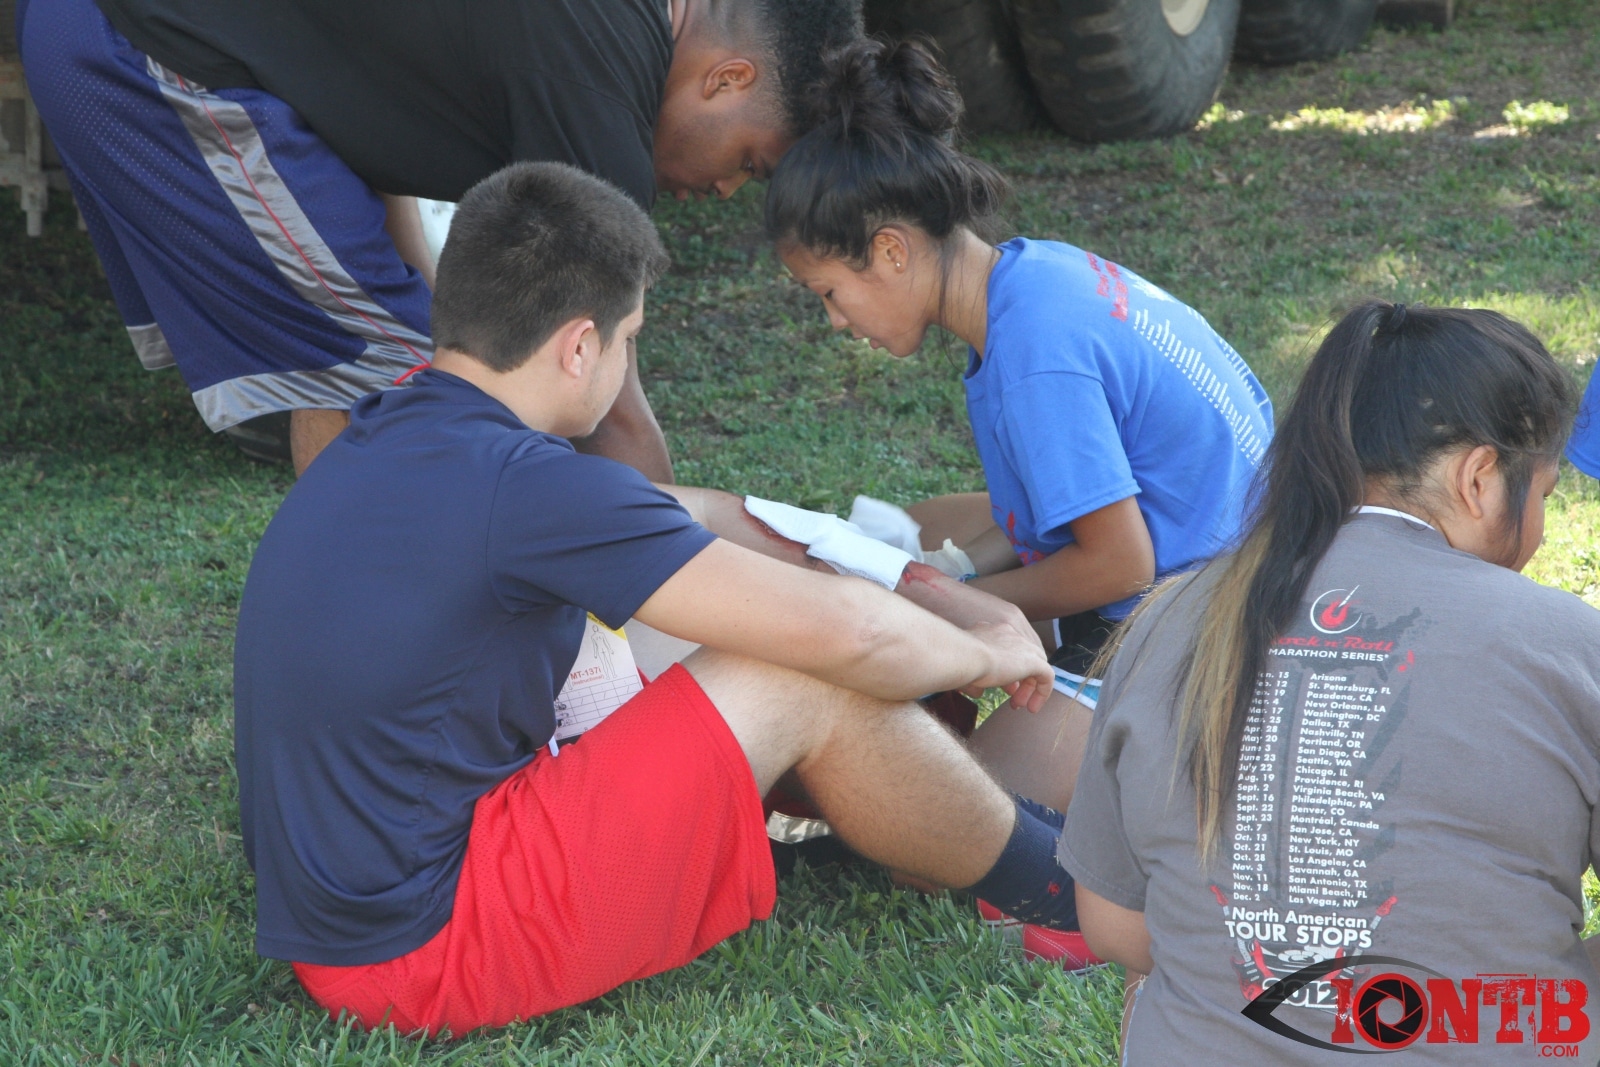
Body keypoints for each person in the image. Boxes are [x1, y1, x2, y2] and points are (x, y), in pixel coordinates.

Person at [233, 161, 1088, 1038]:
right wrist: (987, 651)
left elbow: (696, 516)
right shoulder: (527, 488)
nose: (623, 360)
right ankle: (1063, 894)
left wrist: (921, 585)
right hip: (424, 950)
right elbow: (854, 637)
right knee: (801, 671)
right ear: (579, 346)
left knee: (693, 621)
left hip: (352, 916)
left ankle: (914, 819)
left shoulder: (402, 427)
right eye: (629, 338)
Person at [1061, 301, 1600, 1063]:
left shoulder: (1171, 617)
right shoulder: (1569, 642)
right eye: (1540, 493)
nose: (1537, 524)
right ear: (1480, 477)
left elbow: (1116, 927)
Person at [18, 0, 859, 476]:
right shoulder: (601, 88)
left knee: (408, 371)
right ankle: (370, 657)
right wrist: (673, 584)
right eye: (748, 161)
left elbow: (360, 115)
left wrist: (419, 300)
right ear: (728, 77)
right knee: (395, 399)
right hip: (141, 48)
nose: (725, 189)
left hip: (99, 27)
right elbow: (605, 412)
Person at [764, 38, 1273, 818]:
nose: (834, 319)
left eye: (828, 291)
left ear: (891, 251)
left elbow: (1122, 564)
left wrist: (951, 603)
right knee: (922, 526)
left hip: (1213, 628)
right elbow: (1059, 513)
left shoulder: (1035, 352)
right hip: (1232, 556)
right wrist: (952, 578)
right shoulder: (1030, 278)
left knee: (943, 825)